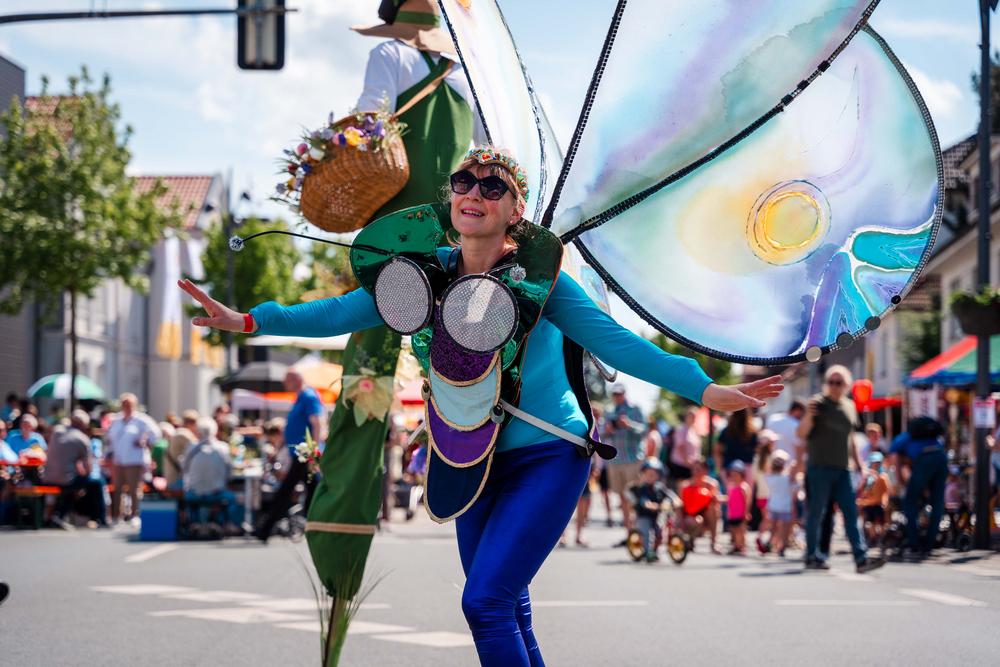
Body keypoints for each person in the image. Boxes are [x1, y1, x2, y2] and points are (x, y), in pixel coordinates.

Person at [180, 146, 782, 665]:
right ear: (451, 201)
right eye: (464, 182)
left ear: (515, 210)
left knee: (484, 601)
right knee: (507, 604)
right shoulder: (422, 275)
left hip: (549, 453)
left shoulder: (543, 283)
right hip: (469, 457)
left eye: (494, 187)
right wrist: (252, 319)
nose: (475, 192)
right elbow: (340, 312)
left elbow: (619, 344)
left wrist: (703, 388)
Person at [797, 365, 883, 573]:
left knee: (851, 514)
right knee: (817, 513)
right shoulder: (818, 403)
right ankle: (811, 555)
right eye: (831, 382)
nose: (834, 386)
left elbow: (850, 438)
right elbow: (802, 433)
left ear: (846, 385)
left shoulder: (849, 406)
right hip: (819, 467)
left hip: (843, 468)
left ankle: (861, 559)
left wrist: (860, 465)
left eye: (839, 382)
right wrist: (809, 415)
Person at [253, 369, 322, 542]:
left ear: (295, 380)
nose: (284, 384)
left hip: (304, 452)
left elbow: (317, 422)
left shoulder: (308, 397)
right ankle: (315, 525)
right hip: (300, 451)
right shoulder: (301, 397)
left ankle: (266, 529)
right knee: (313, 489)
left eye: (287, 380)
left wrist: (313, 449)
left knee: (287, 490)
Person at [889, 416, 948, 558]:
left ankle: (913, 543)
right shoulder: (930, 438)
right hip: (941, 457)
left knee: (909, 503)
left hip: (924, 459)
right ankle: (929, 544)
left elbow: (897, 463)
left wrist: (901, 484)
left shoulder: (900, 440)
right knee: (937, 503)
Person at [41, 409, 107, 527]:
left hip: (46, 477)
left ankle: (59, 515)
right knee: (96, 483)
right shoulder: (82, 439)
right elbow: (89, 469)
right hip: (66, 480)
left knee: (74, 486)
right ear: (84, 425)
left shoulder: (56, 432)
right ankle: (101, 519)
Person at [105, 393, 160, 523]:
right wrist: (109, 453)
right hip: (119, 460)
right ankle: (116, 516)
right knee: (117, 488)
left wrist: (145, 441)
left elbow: (156, 434)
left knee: (134, 488)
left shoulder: (142, 420)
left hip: (135, 460)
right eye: (124, 405)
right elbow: (110, 439)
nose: (127, 407)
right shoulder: (116, 420)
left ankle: (134, 514)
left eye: (129, 405)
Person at [604, 383, 646, 541]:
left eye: (619, 394)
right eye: (614, 394)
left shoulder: (636, 409)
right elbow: (601, 433)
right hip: (616, 460)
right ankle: (629, 534)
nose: (617, 397)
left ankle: (639, 532)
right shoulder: (609, 412)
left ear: (624, 393)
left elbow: (644, 431)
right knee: (622, 498)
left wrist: (629, 425)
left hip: (633, 459)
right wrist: (607, 431)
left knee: (634, 497)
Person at [183, 417, 238, 528]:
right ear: (215, 431)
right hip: (216, 493)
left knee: (188, 497)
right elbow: (229, 472)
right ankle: (226, 523)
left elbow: (185, 469)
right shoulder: (223, 448)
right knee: (233, 498)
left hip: (194, 493)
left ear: (198, 431)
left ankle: (193, 523)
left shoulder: (191, 448)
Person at [625, 458, 670, 562]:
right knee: (646, 533)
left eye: (653, 475)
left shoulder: (660, 488)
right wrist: (648, 504)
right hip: (643, 516)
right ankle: (646, 551)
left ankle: (655, 550)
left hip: (656, 516)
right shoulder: (642, 488)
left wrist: (673, 501)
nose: (650, 477)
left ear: (659, 476)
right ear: (643, 475)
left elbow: (669, 495)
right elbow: (642, 499)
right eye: (648, 474)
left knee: (660, 534)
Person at [680, 459, 723, 554]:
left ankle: (713, 542)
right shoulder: (686, 486)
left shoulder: (712, 484)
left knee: (713, 509)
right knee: (695, 520)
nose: (696, 472)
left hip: (707, 516)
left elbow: (716, 500)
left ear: (705, 471)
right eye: (694, 469)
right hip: (692, 516)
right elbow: (681, 506)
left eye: (699, 469)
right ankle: (689, 540)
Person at [764, 450, 795, 557]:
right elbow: (795, 487)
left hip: (773, 505)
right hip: (785, 506)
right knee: (784, 528)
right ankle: (782, 546)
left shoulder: (769, 478)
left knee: (773, 527)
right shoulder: (787, 479)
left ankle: (771, 542)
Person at [715, 409, 758, 484]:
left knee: (731, 494)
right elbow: (756, 450)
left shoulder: (726, 431)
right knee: (746, 494)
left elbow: (717, 451)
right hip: (746, 468)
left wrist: (720, 469)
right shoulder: (752, 432)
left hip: (729, 468)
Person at [856, 451, 890, 545]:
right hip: (869, 504)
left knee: (881, 523)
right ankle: (872, 538)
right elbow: (862, 490)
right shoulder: (867, 477)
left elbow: (886, 491)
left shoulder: (883, 477)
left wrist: (885, 501)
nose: (875, 465)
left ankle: (883, 539)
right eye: (874, 463)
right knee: (869, 523)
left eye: (877, 463)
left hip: (879, 504)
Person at [753, 429, 777, 552]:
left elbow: (754, 478)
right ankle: (767, 540)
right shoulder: (773, 458)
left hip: (761, 494)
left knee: (766, 518)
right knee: (771, 519)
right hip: (772, 494)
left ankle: (766, 540)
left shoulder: (757, 459)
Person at [165, 410, 198, 489]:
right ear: (192, 424)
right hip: (178, 480)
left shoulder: (178, 433)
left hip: (172, 479)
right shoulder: (185, 434)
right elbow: (198, 448)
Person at [765, 399, 804, 466]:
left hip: (770, 464)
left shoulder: (772, 418)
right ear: (797, 410)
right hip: (789, 465)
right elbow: (799, 447)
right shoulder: (796, 425)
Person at [668, 406, 700, 486]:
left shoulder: (694, 431)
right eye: (691, 416)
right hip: (681, 464)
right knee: (681, 486)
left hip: (691, 465)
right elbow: (680, 446)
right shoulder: (681, 429)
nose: (693, 418)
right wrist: (687, 461)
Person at [725, 460, 752, 555]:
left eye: (736, 474)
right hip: (733, 513)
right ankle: (736, 545)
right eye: (732, 474)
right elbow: (729, 499)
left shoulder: (744, 487)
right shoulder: (730, 486)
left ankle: (743, 546)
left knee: (741, 530)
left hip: (741, 513)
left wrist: (746, 512)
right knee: (734, 530)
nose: (734, 477)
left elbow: (747, 500)